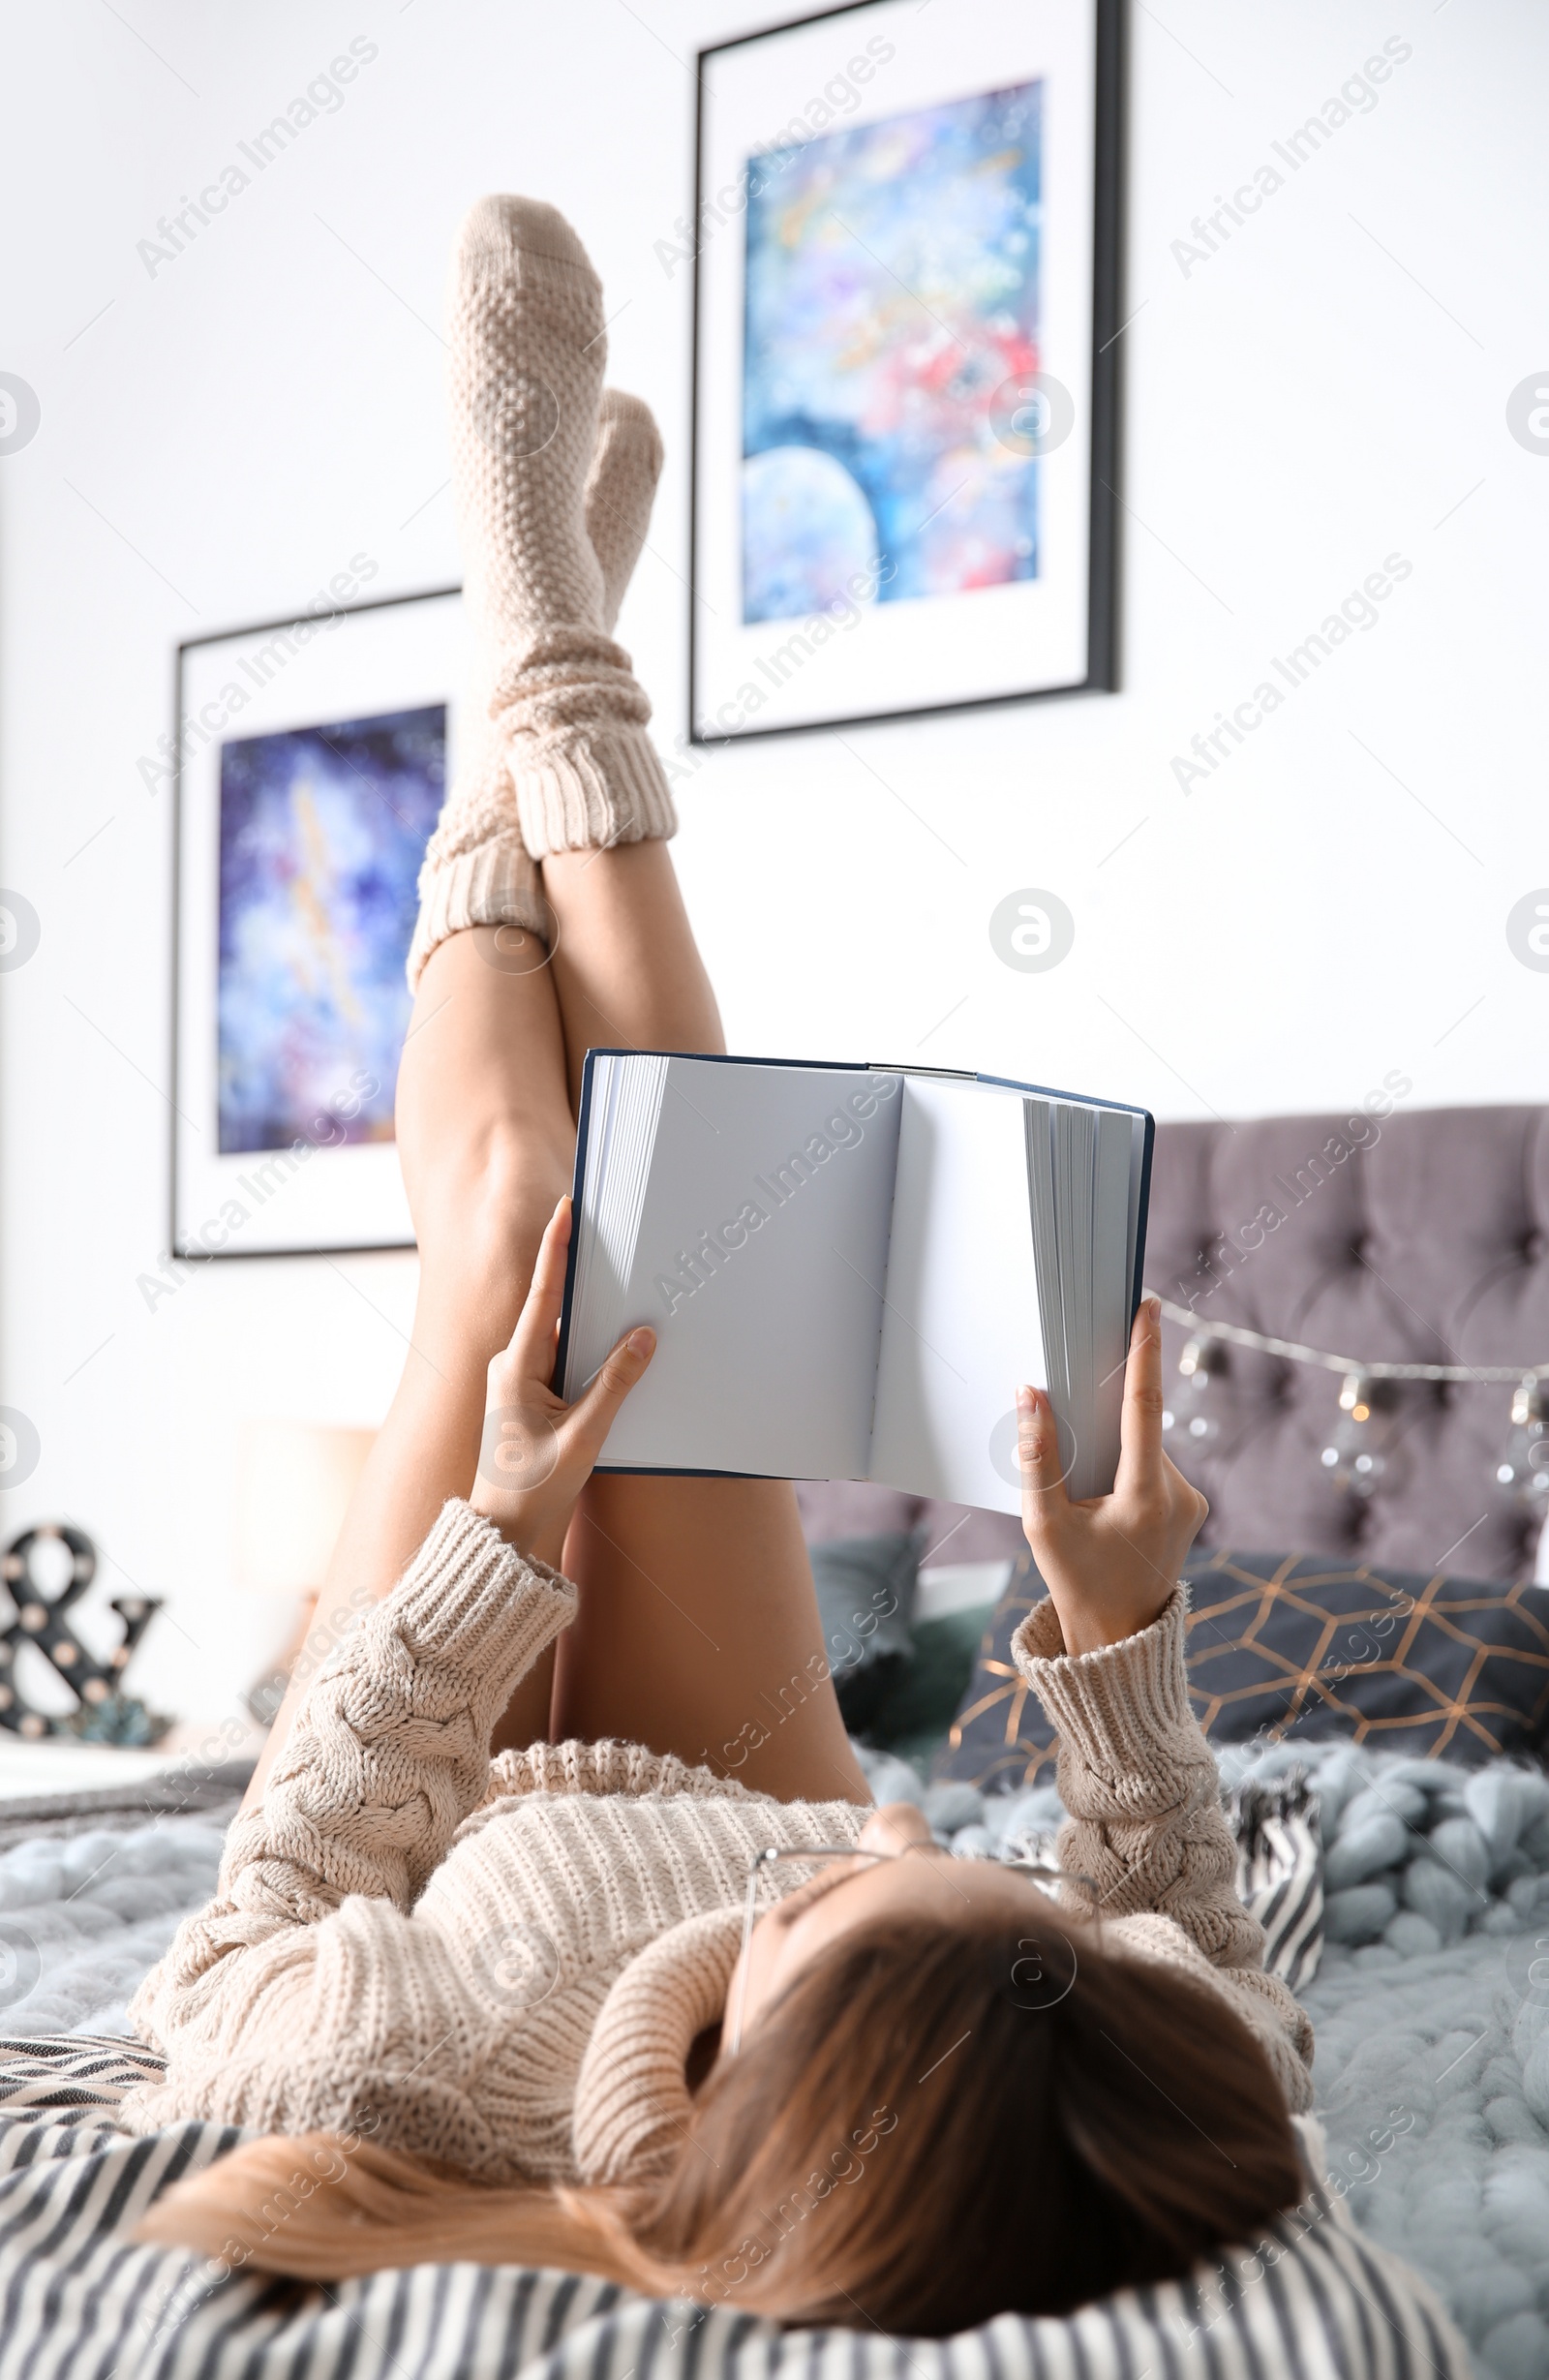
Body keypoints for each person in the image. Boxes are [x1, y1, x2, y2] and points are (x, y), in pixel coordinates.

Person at [127, 198, 1311, 2335]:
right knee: (680, 1215)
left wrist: (498, 1547)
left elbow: (243, 1926)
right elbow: (1206, 1977)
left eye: (834, 1911)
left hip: (433, 1806)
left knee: (500, 1203)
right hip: (723, 1743)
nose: (861, 1855)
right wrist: (1110, 1636)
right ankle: (542, 655)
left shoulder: (398, 2061)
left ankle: (524, 687)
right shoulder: (1079, 2037)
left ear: (755, 2070)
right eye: (929, 1867)